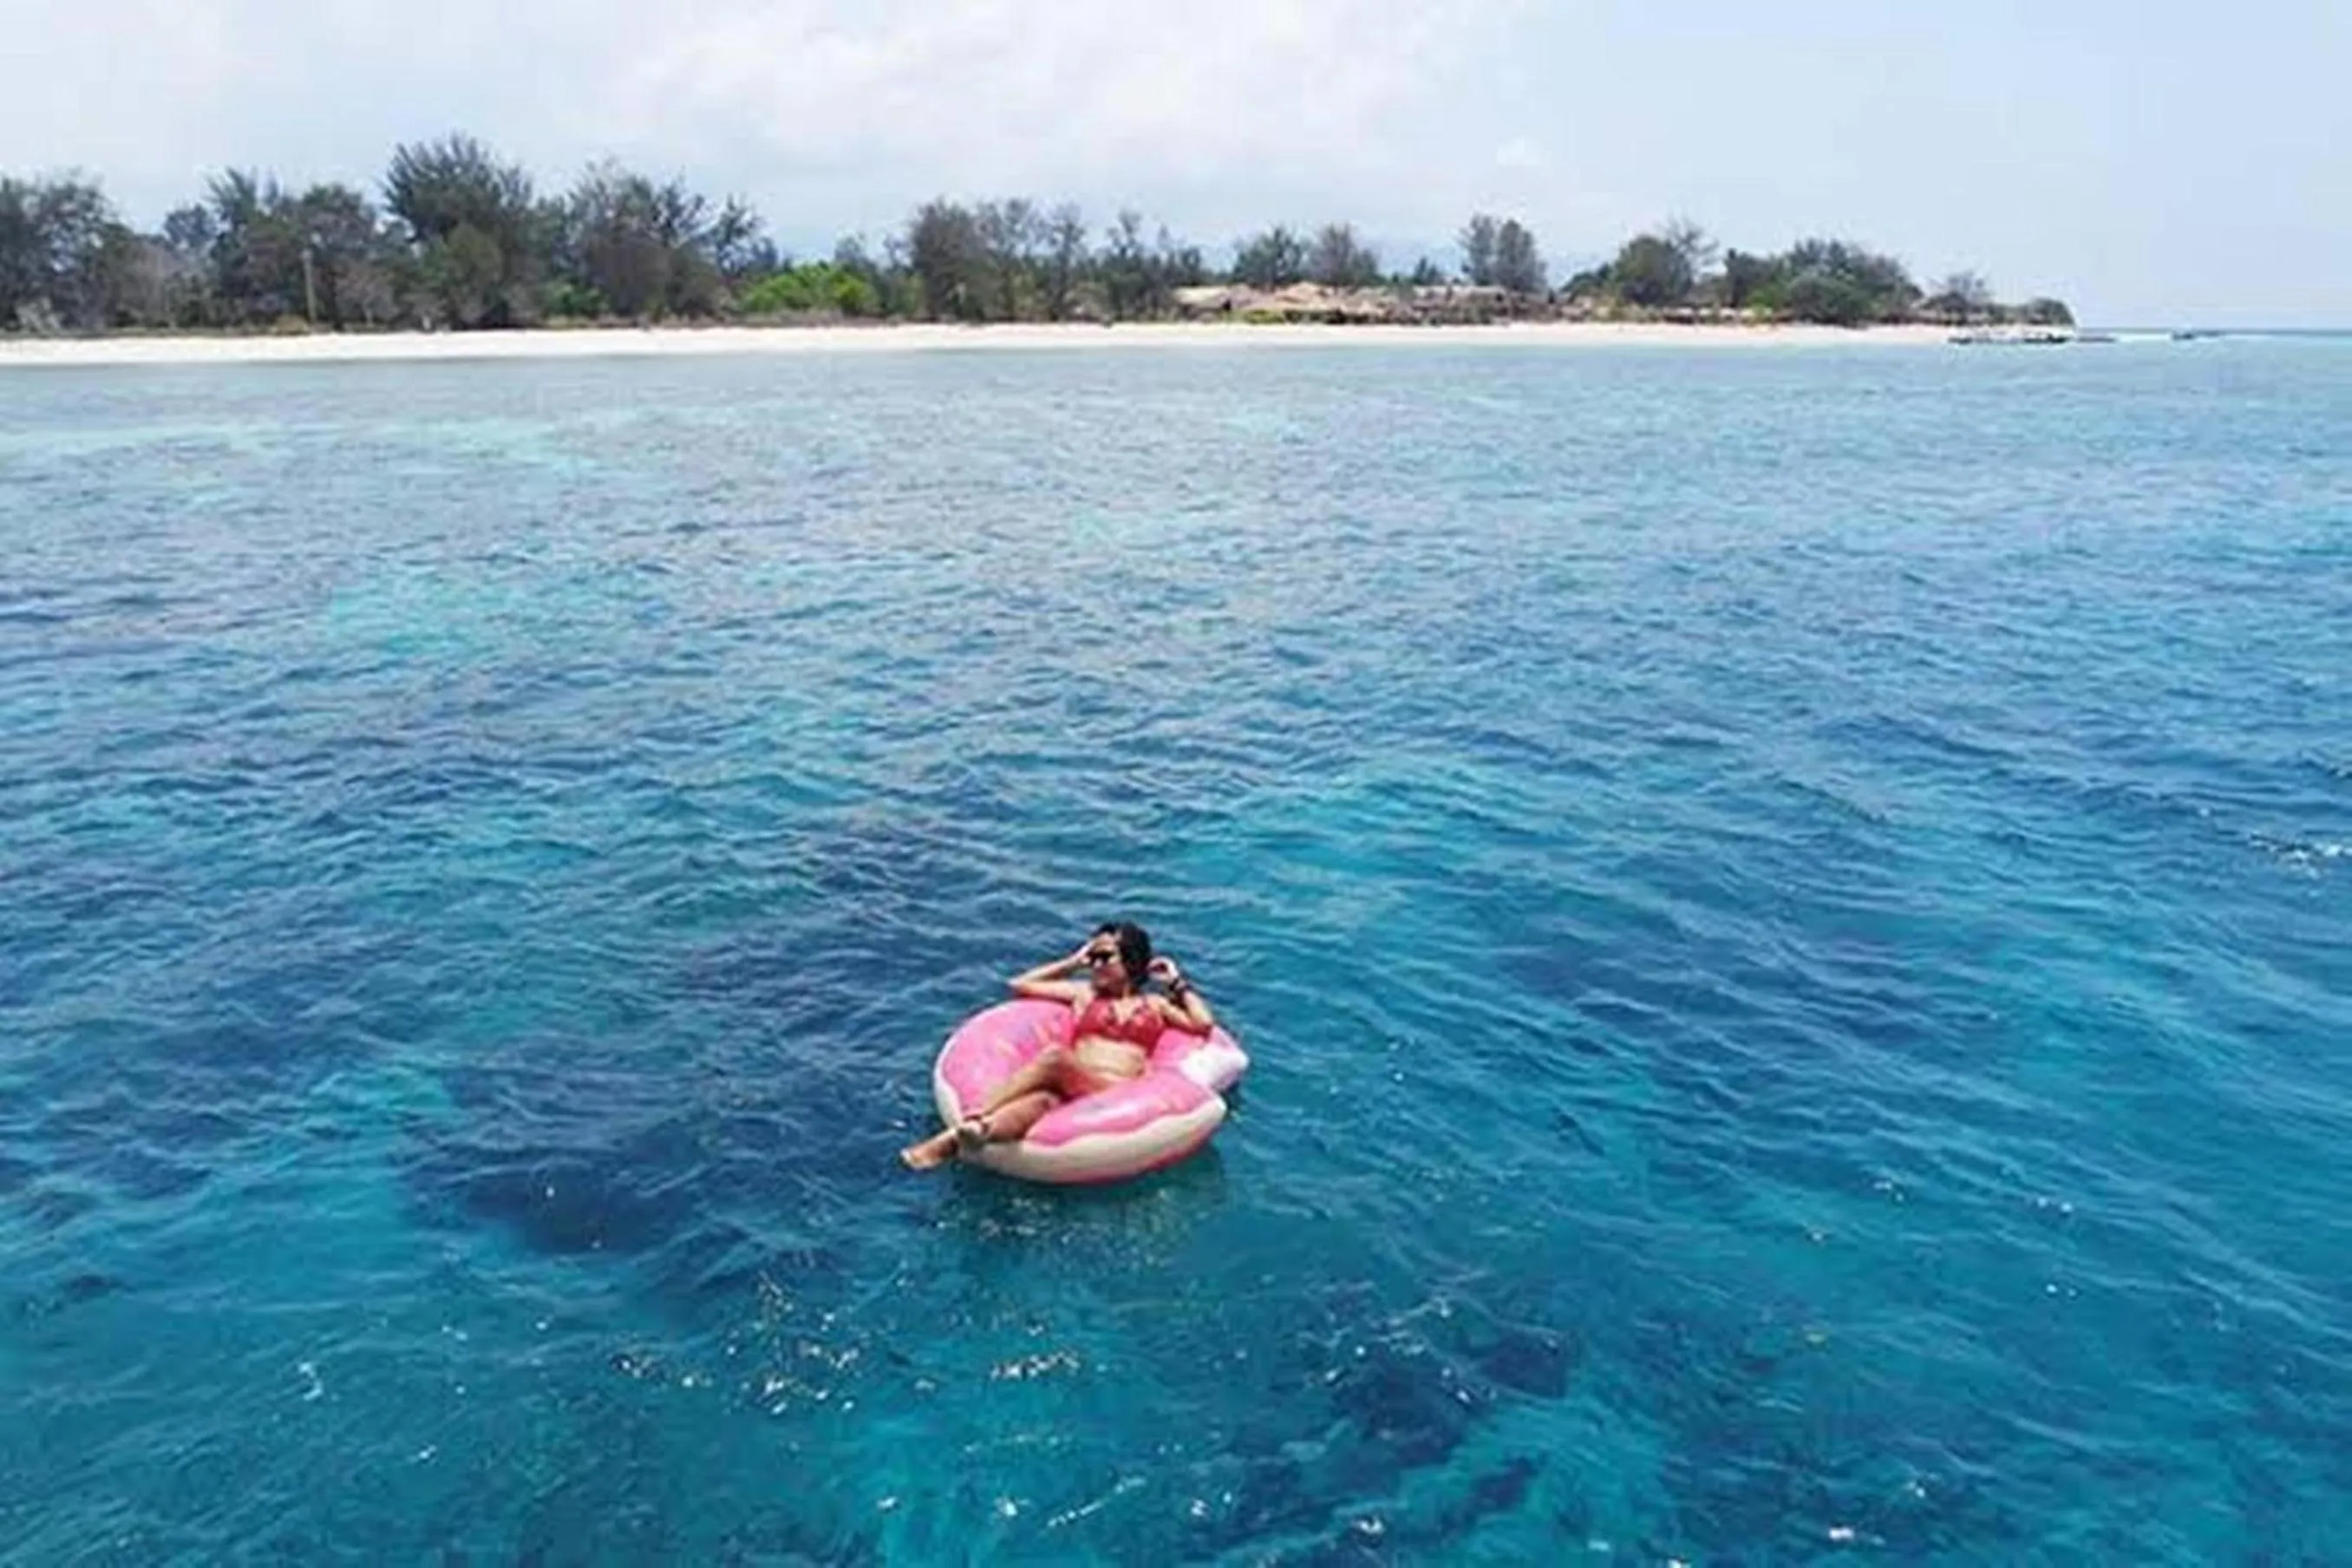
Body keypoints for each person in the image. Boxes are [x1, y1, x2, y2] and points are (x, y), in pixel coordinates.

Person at [899, 921, 1217, 1170]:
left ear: (1131, 961)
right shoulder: (1084, 995)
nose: (1095, 965)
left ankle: (974, 1113)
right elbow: (1020, 985)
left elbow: (1202, 1023)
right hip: (1071, 1086)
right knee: (1038, 1103)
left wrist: (1176, 981)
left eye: (1104, 957)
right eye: (1092, 958)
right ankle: (976, 1132)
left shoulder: (1156, 1004)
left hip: (1114, 1092)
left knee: (1054, 1059)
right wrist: (1072, 961)